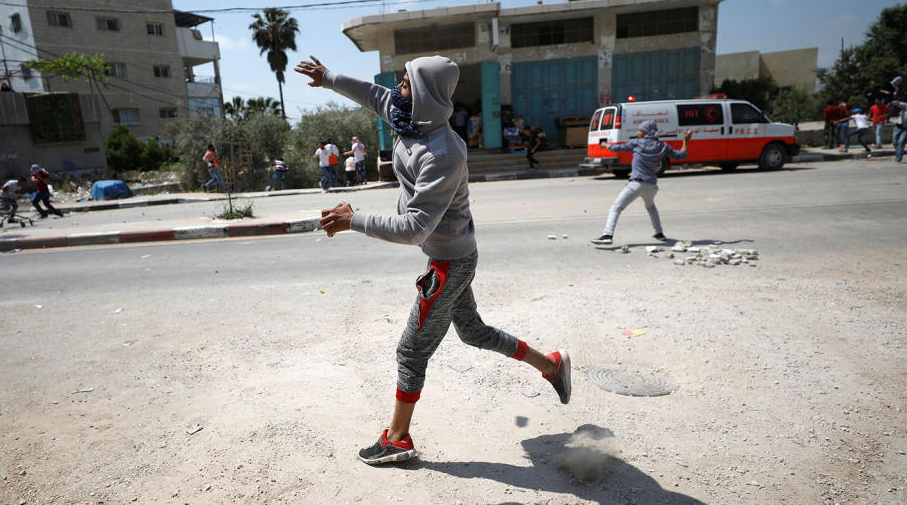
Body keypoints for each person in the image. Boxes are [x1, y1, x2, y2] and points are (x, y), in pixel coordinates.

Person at [295, 54, 571, 465]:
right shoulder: (409, 114)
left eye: (404, 82)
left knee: (411, 350)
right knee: (473, 332)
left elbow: (415, 228)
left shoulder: (443, 153)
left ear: (423, 91)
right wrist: (328, 77)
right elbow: (373, 96)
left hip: (450, 262)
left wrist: (355, 220)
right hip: (449, 255)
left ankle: (397, 438)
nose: (397, 88)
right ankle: (549, 364)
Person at [591, 121, 692, 245]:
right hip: (651, 186)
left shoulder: (637, 143)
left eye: (639, 130)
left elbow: (617, 148)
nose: (637, 132)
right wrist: (686, 141)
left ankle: (607, 235)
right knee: (650, 206)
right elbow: (681, 155)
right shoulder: (662, 146)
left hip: (637, 184)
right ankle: (659, 233)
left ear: (645, 132)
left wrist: (606, 144)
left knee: (616, 207)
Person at [888, 97, 907, 162]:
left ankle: (898, 157)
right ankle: (900, 152)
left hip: (906, 129)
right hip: (898, 126)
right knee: (894, 141)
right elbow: (899, 103)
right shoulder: (906, 106)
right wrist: (892, 102)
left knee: (901, 142)